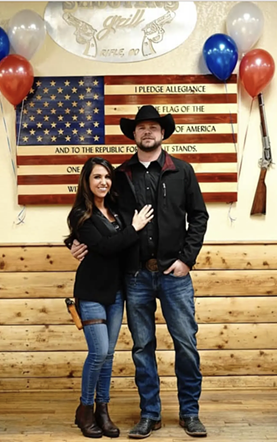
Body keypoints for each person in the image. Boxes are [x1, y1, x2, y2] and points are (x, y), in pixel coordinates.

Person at [71, 105, 209, 438]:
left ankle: (190, 412)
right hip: (135, 278)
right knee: (141, 346)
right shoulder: (119, 176)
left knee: (186, 344)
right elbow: (99, 217)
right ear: (133, 134)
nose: (147, 132)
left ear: (163, 133)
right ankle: (150, 414)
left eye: (153, 127)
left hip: (175, 275)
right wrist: (73, 241)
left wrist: (187, 259)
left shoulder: (183, 171)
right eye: (141, 127)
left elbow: (199, 218)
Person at [65, 156, 153, 439]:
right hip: (91, 291)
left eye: (107, 177)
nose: (103, 182)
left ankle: (103, 411)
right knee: (99, 352)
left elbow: (123, 247)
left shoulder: (116, 211)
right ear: (87, 182)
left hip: (116, 292)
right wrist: (135, 229)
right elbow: (105, 247)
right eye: (96, 177)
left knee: (109, 355)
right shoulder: (80, 214)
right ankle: (85, 409)